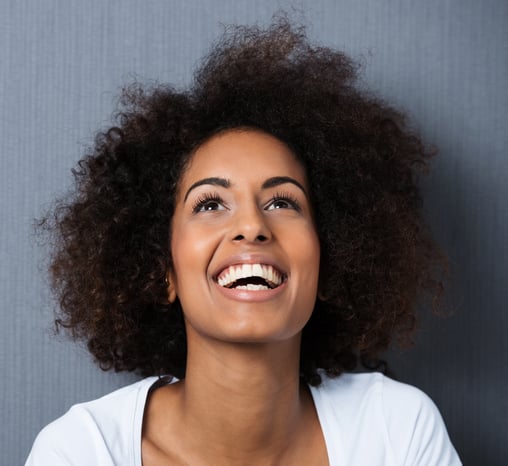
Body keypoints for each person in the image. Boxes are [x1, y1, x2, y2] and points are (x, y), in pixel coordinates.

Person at [26, 16, 461, 466]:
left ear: (331, 261)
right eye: (211, 204)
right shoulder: (81, 452)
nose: (252, 225)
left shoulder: (397, 431)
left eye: (282, 203)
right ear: (162, 271)